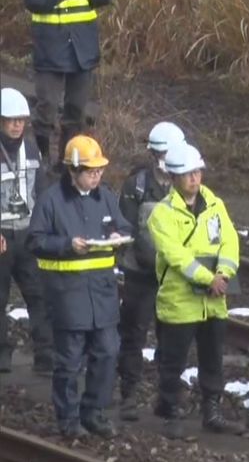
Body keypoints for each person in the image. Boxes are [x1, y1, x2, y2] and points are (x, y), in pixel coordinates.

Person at [26, 135, 131, 439]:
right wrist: (67, 245)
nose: (96, 176)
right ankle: (69, 419)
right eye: (90, 171)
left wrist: (118, 237)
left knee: (107, 353)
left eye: (99, 171)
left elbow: (124, 226)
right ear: (72, 171)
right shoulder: (51, 201)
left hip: (102, 295)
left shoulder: (106, 196)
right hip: (68, 296)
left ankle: (94, 412)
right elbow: (36, 241)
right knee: (69, 362)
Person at [147, 143, 243, 439]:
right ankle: (170, 411)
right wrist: (208, 279)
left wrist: (224, 273)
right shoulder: (162, 214)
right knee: (173, 360)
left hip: (213, 300)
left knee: (212, 357)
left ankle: (211, 411)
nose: (194, 178)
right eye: (187, 174)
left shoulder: (215, 205)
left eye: (197, 172)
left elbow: (230, 241)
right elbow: (176, 256)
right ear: (174, 177)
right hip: (180, 300)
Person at [114, 122, 185, 421]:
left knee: (172, 338)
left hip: (174, 277)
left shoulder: (189, 185)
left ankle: (168, 399)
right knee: (134, 334)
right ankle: (128, 394)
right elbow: (126, 228)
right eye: (161, 152)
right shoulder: (137, 186)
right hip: (141, 277)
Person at [24, 0, 113, 165]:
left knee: (76, 110)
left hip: (82, 50)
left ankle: (67, 163)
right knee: (47, 108)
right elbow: (32, 1)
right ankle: (42, 160)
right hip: (50, 50)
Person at [0, 88, 54, 375]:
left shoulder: (32, 149)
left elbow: (42, 191)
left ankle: (46, 355)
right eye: (10, 120)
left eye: (20, 120)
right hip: (1, 236)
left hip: (28, 234)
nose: (16, 125)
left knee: (39, 295)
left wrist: (41, 229)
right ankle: (1, 356)